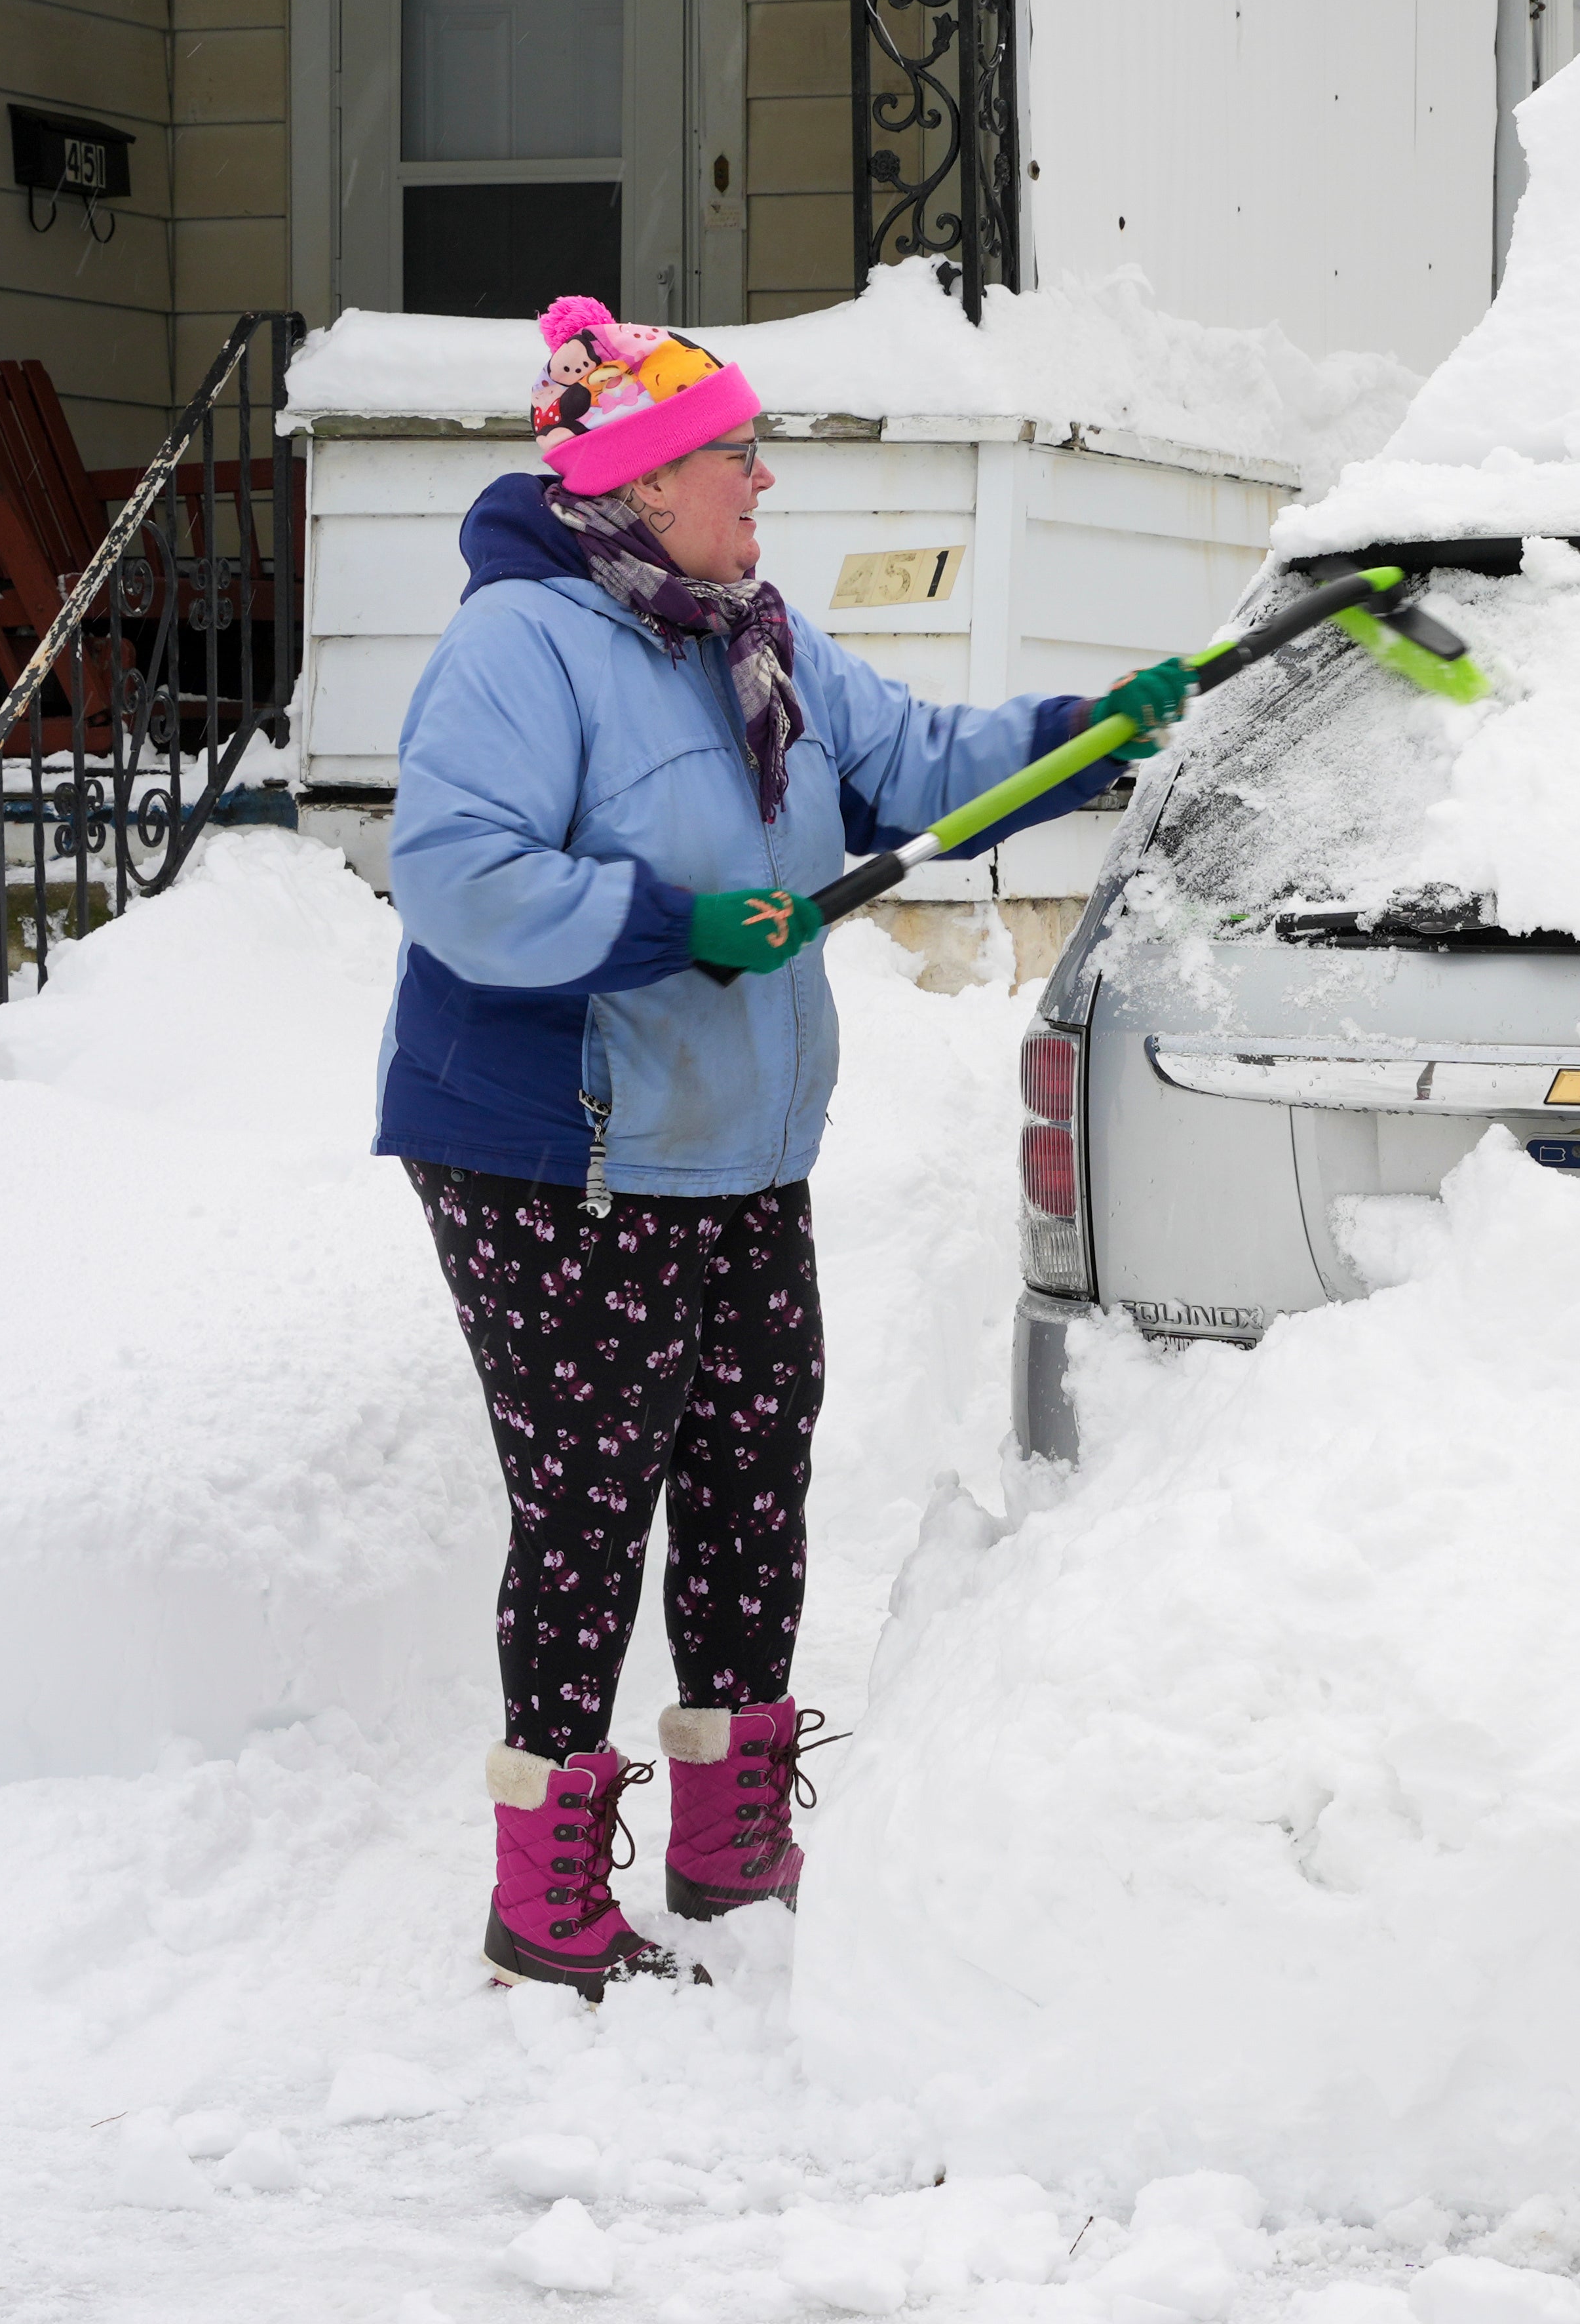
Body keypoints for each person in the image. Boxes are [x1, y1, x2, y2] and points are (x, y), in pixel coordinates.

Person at [377, 294, 1189, 1998]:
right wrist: (680, 926)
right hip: (564, 1154)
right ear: (640, 477)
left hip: (737, 1148)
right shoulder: (522, 646)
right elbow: (462, 882)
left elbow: (916, 765)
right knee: (594, 1509)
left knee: (752, 1480)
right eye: (733, 452)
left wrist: (1105, 730)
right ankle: (546, 1902)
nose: (762, 478)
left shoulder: (752, 636)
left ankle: (732, 1846)